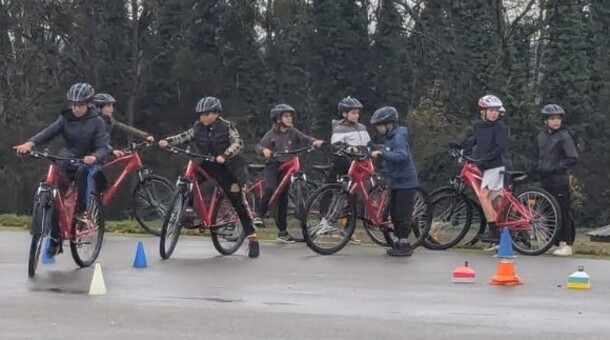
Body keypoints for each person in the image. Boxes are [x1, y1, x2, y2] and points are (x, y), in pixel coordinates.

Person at [13, 82, 109, 258]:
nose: (76, 108)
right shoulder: (65, 118)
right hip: (71, 158)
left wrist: (94, 157)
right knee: (55, 192)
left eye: (80, 105)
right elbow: (48, 132)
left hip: (91, 161)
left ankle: (81, 213)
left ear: (88, 104)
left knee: (83, 172)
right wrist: (30, 143)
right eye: (73, 104)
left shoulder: (97, 122)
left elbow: (103, 147)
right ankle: (55, 237)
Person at [158, 97, 259, 258]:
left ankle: (252, 238)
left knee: (236, 199)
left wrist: (225, 155)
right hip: (205, 162)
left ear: (216, 114)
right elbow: (184, 136)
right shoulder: (198, 127)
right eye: (200, 115)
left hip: (227, 166)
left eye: (206, 114)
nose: (202, 118)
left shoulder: (227, 126)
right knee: (187, 178)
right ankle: (188, 211)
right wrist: (168, 141)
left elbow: (238, 143)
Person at [254, 104, 324, 243]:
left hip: (287, 167)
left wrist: (314, 141)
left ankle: (283, 232)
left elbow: (305, 138)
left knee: (283, 200)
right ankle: (259, 215)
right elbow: (259, 146)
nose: (290, 118)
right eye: (286, 116)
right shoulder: (271, 134)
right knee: (269, 188)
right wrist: (264, 151)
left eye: (290, 116)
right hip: (274, 165)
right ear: (278, 119)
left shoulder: (293, 132)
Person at [320, 96, 371, 243]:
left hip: (358, 166)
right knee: (331, 190)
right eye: (353, 112)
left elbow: (367, 146)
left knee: (354, 198)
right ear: (344, 114)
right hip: (342, 164)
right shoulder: (339, 127)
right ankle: (325, 221)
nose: (356, 115)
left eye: (357, 113)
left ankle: (348, 228)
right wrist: (349, 148)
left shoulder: (362, 128)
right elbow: (336, 146)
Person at [369, 106, 419, 257]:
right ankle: (398, 240)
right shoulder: (390, 138)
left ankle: (404, 244)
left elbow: (402, 156)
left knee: (402, 213)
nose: (378, 129)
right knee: (394, 213)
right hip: (395, 181)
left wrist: (382, 153)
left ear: (389, 124)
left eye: (379, 125)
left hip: (405, 182)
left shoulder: (398, 137)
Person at [532, 104, 578, 256]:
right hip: (545, 180)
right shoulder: (541, 137)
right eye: (552, 118)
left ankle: (567, 243)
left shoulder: (564, 137)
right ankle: (554, 241)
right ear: (545, 121)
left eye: (558, 118)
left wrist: (556, 167)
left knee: (563, 211)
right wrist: (536, 168)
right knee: (547, 211)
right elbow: (537, 156)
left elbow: (572, 157)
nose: (556, 121)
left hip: (559, 179)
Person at [463, 95, 509, 249]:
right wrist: (458, 146)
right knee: (496, 202)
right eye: (491, 110)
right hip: (485, 167)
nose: (494, 113)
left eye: (496, 111)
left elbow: (500, 147)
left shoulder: (499, 128)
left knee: (483, 196)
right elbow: (471, 141)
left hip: (495, 166)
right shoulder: (479, 126)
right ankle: (503, 235)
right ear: (483, 111)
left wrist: (486, 159)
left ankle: (494, 231)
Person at [93, 93, 155, 158]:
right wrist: (111, 150)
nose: (112, 109)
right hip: (91, 158)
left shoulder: (109, 121)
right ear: (98, 108)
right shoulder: (92, 123)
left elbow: (125, 128)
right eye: (108, 106)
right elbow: (96, 141)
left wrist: (145, 136)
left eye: (112, 106)